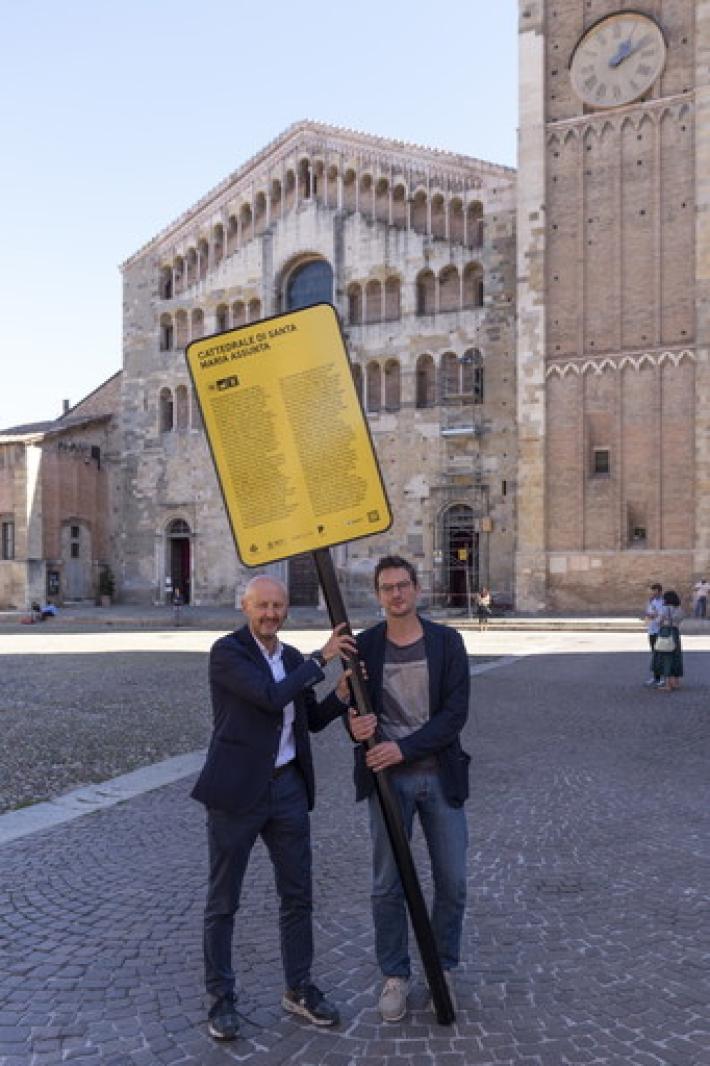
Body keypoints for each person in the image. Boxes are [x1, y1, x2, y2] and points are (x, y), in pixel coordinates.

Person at [191, 575, 356, 1042]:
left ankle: (299, 988)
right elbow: (267, 698)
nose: (271, 613)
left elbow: (311, 720)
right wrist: (321, 658)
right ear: (245, 607)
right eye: (262, 605)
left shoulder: (288, 657)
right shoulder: (228, 653)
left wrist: (340, 698)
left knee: (298, 895)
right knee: (224, 902)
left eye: (278, 606)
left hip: (286, 789)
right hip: (237, 793)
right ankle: (222, 1000)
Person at [347, 555, 470, 1022]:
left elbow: (454, 716)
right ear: (378, 595)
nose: (396, 594)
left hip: (439, 775)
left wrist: (403, 748)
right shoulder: (365, 647)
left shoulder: (447, 642)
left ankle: (443, 971)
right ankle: (395, 975)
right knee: (386, 884)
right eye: (386, 587)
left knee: (453, 881)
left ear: (416, 589)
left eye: (402, 585)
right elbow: (355, 716)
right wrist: (357, 728)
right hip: (387, 782)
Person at [651, 588, 684, 692]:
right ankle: (675, 682)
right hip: (675, 633)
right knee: (675, 656)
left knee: (666, 658)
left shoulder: (665, 608)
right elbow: (679, 620)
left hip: (665, 632)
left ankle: (668, 685)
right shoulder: (679, 609)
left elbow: (658, 621)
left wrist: (655, 617)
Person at [643, 582, 664, 686]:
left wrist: (654, 616)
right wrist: (649, 615)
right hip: (651, 630)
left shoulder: (663, 602)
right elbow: (648, 613)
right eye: (652, 592)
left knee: (660, 655)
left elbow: (661, 615)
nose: (653, 594)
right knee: (654, 655)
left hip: (659, 631)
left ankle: (662, 678)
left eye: (655, 592)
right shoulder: (651, 601)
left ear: (660, 591)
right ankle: (656, 677)